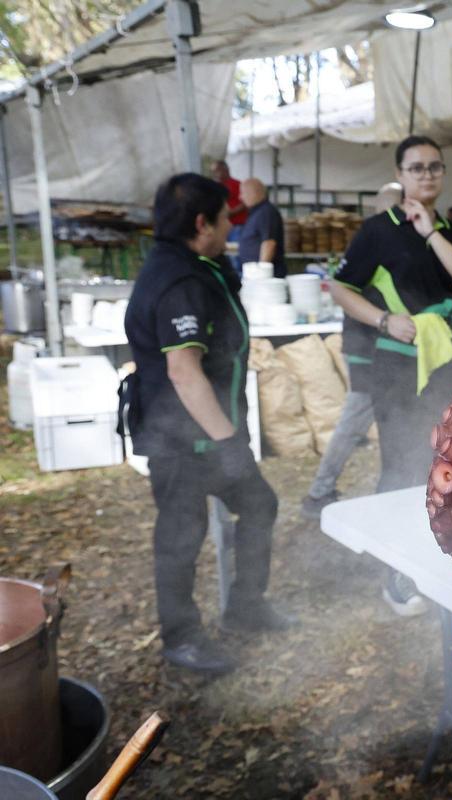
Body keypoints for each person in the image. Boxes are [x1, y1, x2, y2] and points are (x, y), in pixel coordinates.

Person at [122, 173, 290, 676]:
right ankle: (182, 639)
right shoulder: (178, 282)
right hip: (181, 442)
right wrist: (229, 441)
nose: (229, 228)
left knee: (259, 504)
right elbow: (183, 371)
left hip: (208, 436)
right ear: (202, 223)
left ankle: (245, 608)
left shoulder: (198, 265)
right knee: (180, 538)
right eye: (224, 219)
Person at [330, 136, 452, 615]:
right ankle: (395, 575)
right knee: (402, 465)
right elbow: (340, 287)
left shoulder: (451, 228)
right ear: (400, 173)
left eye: (435, 167)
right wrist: (381, 319)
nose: (427, 175)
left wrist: (432, 233)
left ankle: (447, 559)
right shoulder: (378, 230)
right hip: (399, 366)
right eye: (417, 168)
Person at [301, 183, 408, 520]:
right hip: (366, 349)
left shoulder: (391, 240)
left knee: (383, 421)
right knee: (355, 418)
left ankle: (391, 486)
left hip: (380, 350)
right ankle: (318, 492)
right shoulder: (373, 241)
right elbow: (344, 290)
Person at [238, 178, 286, 278]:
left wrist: (262, 275)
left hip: (266, 277)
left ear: (253, 193)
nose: (240, 197)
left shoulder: (266, 212)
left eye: (243, 193)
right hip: (254, 274)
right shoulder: (258, 211)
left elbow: (269, 243)